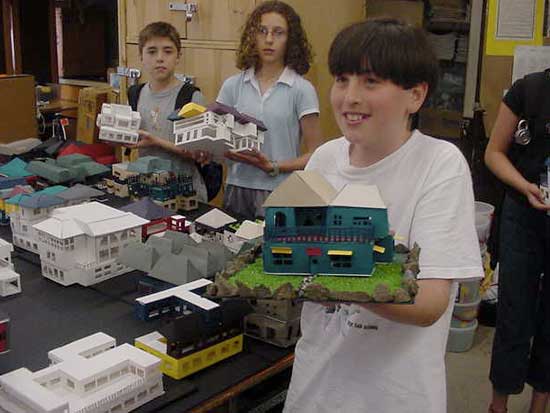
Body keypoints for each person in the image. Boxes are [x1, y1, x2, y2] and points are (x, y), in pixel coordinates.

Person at [282, 19, 483, 413]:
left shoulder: (439, 165)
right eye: (342, 79)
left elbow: (428, 304)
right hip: (314, 390)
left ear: (416, 95)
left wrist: (326, 273)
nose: (349, 97)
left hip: (394, 397)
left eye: (370, 81)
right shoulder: (323, 159)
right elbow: (288, 252)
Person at [216, 0, 323, 219]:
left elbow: (316, 154)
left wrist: (274, 166)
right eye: (262, 31)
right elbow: (217, 137)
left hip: (280, 191)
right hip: (237, 188)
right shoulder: (233, 85)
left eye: (278, 33)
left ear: (290, 40)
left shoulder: (301, 89)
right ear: (252, 36)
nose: (269, 40)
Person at [485, 69, 550, 413]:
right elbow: (494, 153)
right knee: (514, 311)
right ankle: (499, 405)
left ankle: (539, 405)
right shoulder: (529, 89)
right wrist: (523, 185)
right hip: (522, 213)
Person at [128, 21, 208, 202]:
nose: (160, 58)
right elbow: (131, 138)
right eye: (151, 51)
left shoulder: (190, 97)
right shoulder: (135, 94)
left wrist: (155, 141)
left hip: (185, 192)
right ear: (141, 56)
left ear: (178, 56)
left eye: (168, 51)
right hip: (147, 188)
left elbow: (200, 153)